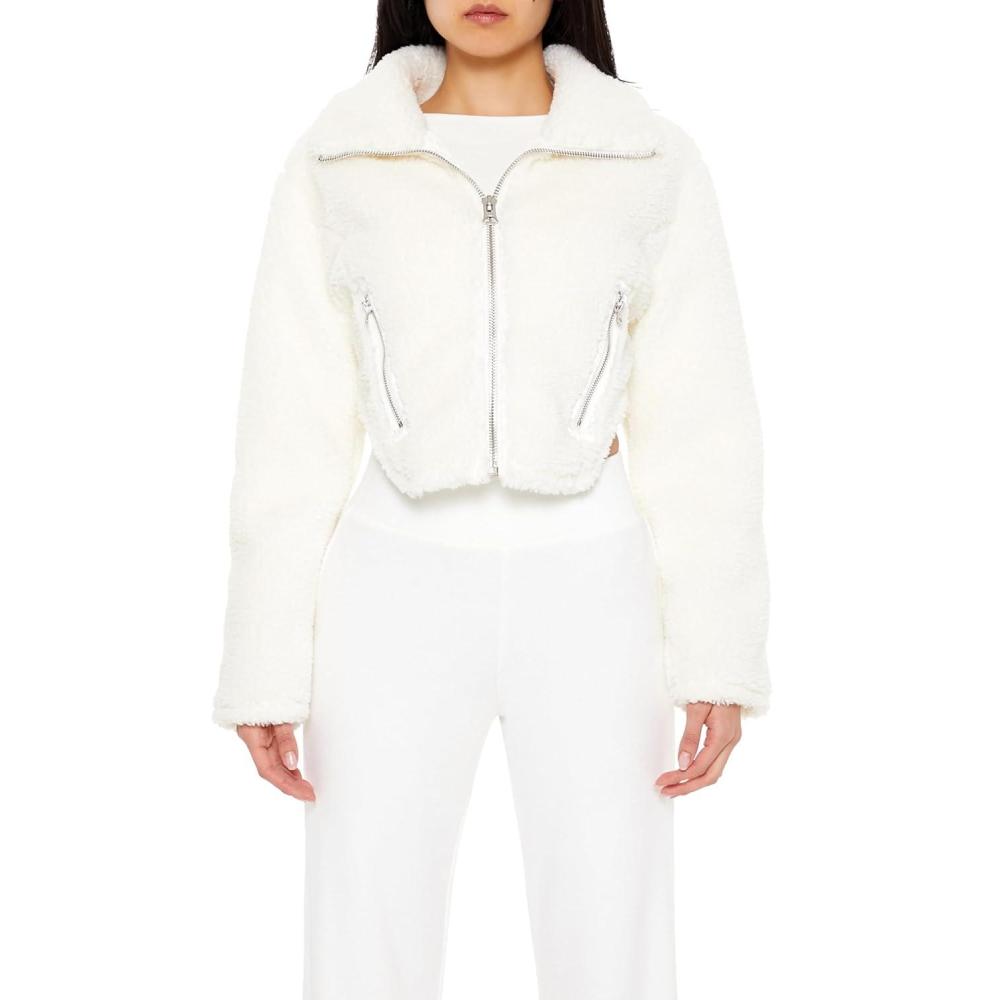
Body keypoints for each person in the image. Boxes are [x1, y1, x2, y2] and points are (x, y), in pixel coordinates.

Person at [212, 1, 771, 996]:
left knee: (611, 921)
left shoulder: (646, 156)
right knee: (364, 920)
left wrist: (717, 657)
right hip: (391, 580)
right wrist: (266, 671)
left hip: (593, 580)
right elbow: (287, 430)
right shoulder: (341, 156)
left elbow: (703, 424)